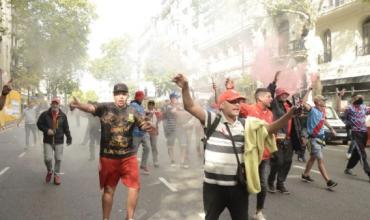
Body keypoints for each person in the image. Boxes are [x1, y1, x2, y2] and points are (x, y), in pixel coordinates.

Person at [172, 73, 296, 220]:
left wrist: (290, 115)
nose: (237, 104)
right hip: (213, 188)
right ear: (222, 105)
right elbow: (190, 106)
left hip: (238, 187)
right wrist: (185, 87)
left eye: (239, 101)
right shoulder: (212, 120)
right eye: (233, 101)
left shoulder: (247, 124)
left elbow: (269, 129)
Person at [69, 83, 153, 220]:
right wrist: (79, 105)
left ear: (127, 96)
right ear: (114, 95)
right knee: (109, 190)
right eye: (118, 94)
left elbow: (142, 123)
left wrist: (148, 126)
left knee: (135, 187)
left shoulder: (133, 111)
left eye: (124, 94)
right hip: (108, 157)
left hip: (128, 156)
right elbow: (91, 108)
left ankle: (129, 218)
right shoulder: (105, 107)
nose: (121, 96)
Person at [267, 71, 303, 194]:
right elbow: (270, 94)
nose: (284, 95)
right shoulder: (275, 104)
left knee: (287, 161)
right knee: (278, 161)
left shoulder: (290, 105)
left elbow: (297, 119)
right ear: (277, 95)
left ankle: (280, 183)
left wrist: (301, 136)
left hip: (289, 139)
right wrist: (274, 82)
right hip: (277, 138)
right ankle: (270, 182)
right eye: (282, 94)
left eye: (285, 94)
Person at [240, 88, 273, 220]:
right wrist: (227, 89)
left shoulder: (270, 113)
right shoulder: (248, 109)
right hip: (250, 155)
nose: (271, 99)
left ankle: (258, 212)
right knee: (247, 184)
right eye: (269, 96)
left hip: (265, 155)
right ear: (260, 98)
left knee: (263, 184)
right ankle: (241, 210)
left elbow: (269, 131)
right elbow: (226, 103)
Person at [301, 92, 338, 189]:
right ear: (317, 102)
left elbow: (324, 121)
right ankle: (328, 181)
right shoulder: (312, 110)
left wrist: (331, 129)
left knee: (313, 157)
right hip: (314, 139)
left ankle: (305, 174)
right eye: (322, 100)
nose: (324, 102)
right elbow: (303, 102)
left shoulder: (322, 111)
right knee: (320, 160)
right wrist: (308, 90)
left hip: (321, 138)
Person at [37, 97, 72, 185]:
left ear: (59, 105)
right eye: (53, 103)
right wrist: (46, 130)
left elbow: (66, 128)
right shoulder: (44, 114)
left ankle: (56, 175)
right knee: (47, 159)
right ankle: (49, 171)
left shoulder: (63, 116)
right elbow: (39, 124)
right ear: (51, 104)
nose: (55, 105)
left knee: (58, 159)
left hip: (59, 140)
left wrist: (69, 137)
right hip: (48, 141)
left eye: (56, 103)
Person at [337, 90, 370, 181]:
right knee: (362, 153)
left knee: (357, 152)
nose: (361, 98)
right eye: (359, 97)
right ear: (354, 99)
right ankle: (368, 172)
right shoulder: (350, 108)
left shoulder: (363, 107)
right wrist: (339, 97)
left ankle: (348, 168)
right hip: (355, 132)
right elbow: (339, 109)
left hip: (364, 132)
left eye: (362, 97)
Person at [161, 92, 188, 167]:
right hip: (170, 129)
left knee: (183, 145)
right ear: (172, 98)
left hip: (180, 128)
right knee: (171, 146)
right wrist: (178, 109)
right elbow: (173, 112)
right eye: (176, 98)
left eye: (177, 98)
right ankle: (172, 160)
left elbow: (186, 114)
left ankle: (182, 161)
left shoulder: (180, 106)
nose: (177, 99)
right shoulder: (167, 106)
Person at [130, 90, 151, 174]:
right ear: (138, 97)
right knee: (134, 151)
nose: (143, 99)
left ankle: (143, 165)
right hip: (135, 133)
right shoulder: (132, 105)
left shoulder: (140, 106)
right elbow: (130, 119)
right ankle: (131, 168)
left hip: (143, 132)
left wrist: (147, 117)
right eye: (142, 97)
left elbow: (142, 116)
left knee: (147, 148)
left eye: (143, 98)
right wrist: (142, 118)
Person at [146, 100, 161, 167]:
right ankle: (145, 161)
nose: (151, 106)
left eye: (152, 105)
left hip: (154, 132)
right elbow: (145, 119)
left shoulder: (156, 113)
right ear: (148, 105)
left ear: (154, 105)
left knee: (154, 146)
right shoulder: (145, 112)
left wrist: (155, 114)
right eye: (150, 104)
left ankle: (155, 160)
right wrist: (150, 114)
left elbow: (159, 120)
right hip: (146, 131)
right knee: (146, 147)